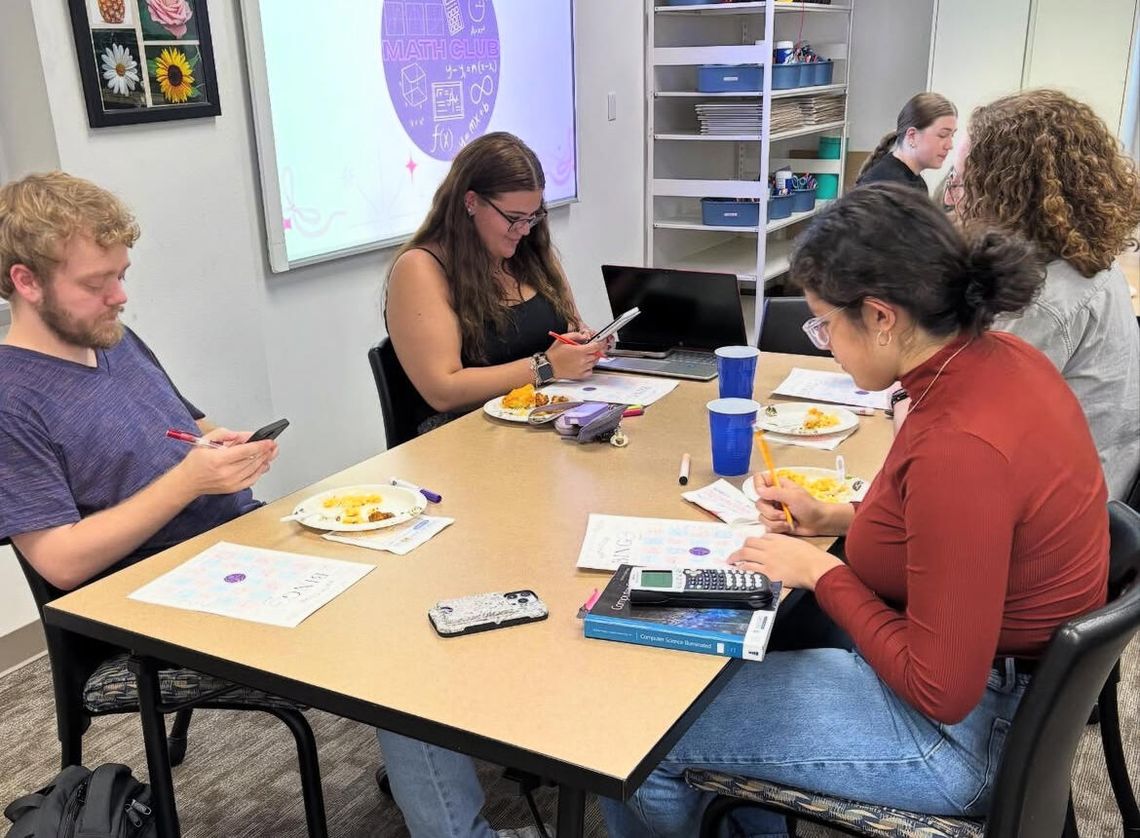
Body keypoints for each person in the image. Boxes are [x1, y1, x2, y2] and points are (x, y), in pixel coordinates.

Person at [601, 183, 1110, 837]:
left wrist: (822, 572)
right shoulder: (999, 361)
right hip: (999, 687)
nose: (824, 344)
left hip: (964, 732)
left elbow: (940, 690)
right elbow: (958, 529)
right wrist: (836, 520)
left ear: (881, 316)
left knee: (640, 731)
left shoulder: (961, 447)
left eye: (824, 323)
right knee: (754, 647)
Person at [0, 171, 277, 591]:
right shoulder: (12, 399)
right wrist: (188, 482)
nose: (119, 297)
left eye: (121, 275)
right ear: (27, 282)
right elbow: (60, 562)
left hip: (234, 543)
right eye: (96, 283)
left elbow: (188, 428)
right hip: (157, 593)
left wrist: (223, 447)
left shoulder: (111, 337)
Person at [957, 88, 1140, 500]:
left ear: (1004, 193)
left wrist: (901, 392)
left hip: (1061, 509)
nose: (961, 200)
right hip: (1098, 481)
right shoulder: (1091, 260)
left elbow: (967, 430)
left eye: (964, 182)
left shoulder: (1044, 301)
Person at [384, 132, 603, 435]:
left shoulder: (529, 251)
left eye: (532, 217)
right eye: (514, 218)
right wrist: (546, 366)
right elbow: (443, 390)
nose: (524, 230)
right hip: (460, 437)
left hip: (541, 423)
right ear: (471, 202)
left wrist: (584, 345)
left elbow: (570, 327)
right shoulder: (420, 269)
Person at [855, 92, 957, 192]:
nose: (950, 145)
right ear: (912, 136)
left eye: (952, 135)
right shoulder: (887, 187)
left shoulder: (917, 184)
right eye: (942, 135)